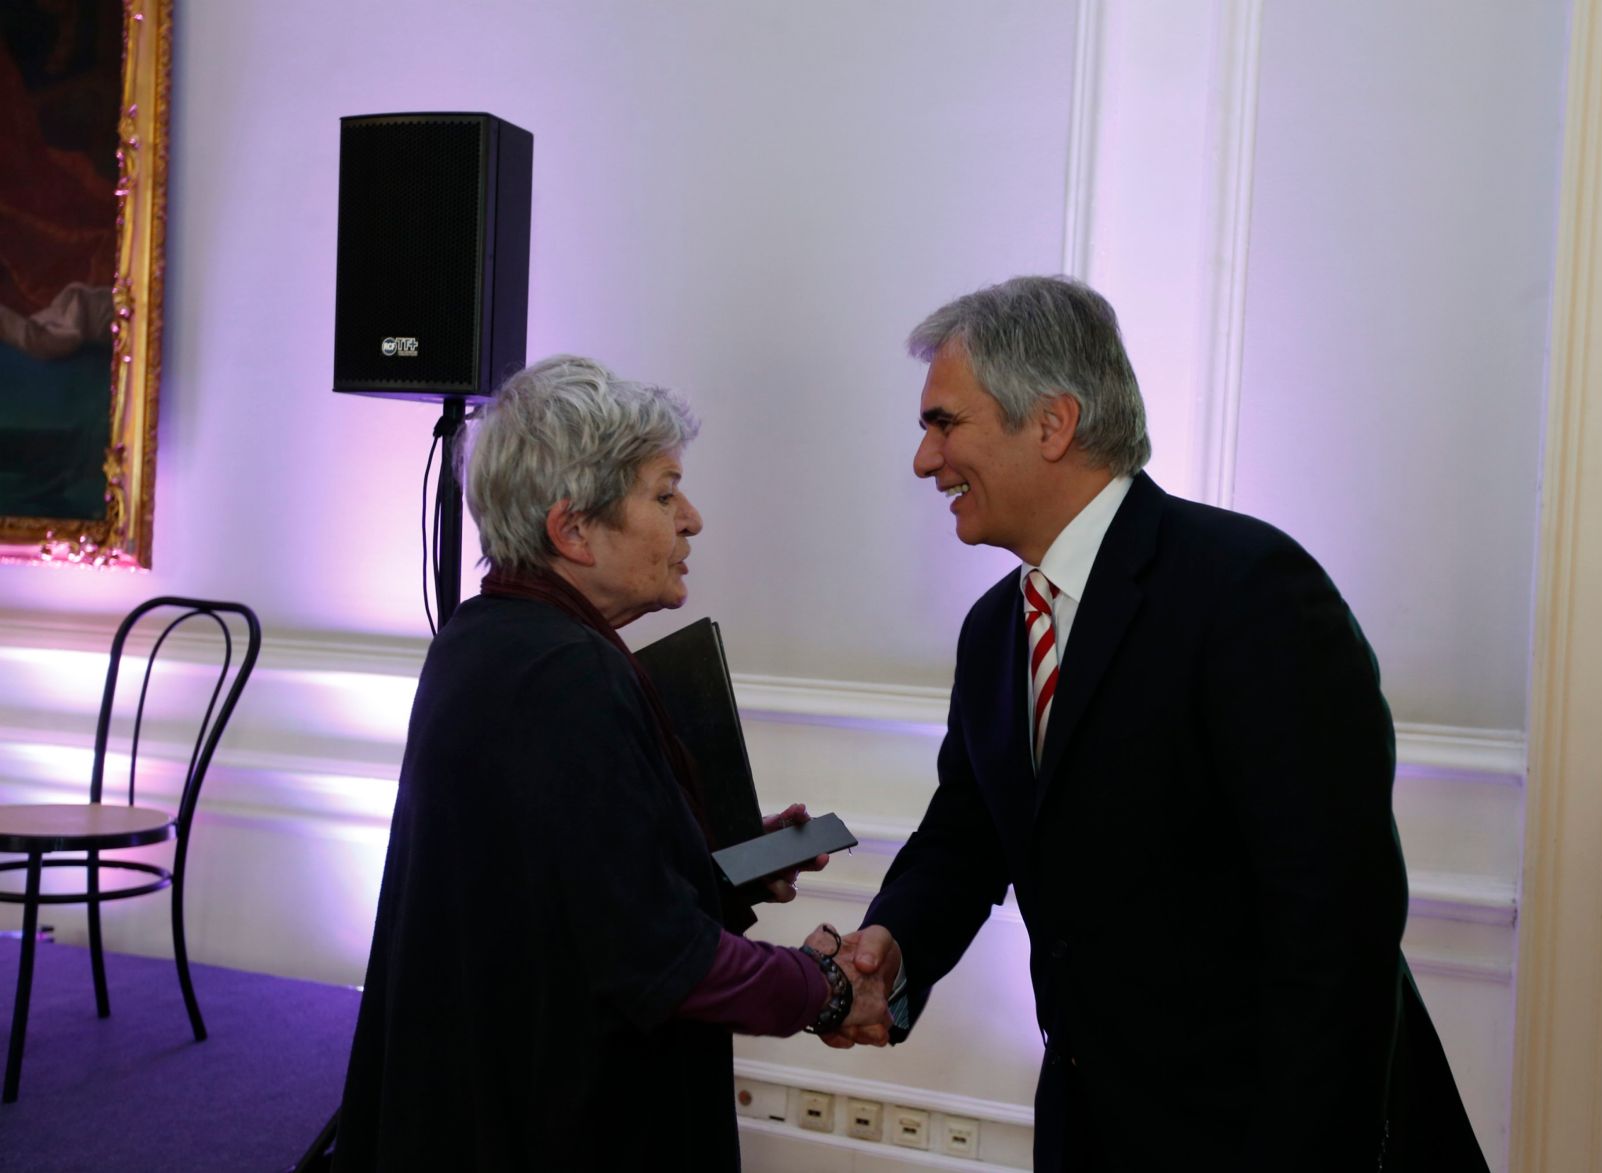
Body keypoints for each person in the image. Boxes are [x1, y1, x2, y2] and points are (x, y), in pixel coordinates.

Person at [824, 277, 1486, 1171]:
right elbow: (965, 833)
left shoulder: (1252, 593)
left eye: (945, 423)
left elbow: (1335, 925)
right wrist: (892, 950)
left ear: (1052, 424)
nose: (924, 459)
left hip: (1260, 1132)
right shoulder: (995, 630)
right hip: (1091, 1128)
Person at [333, 355, 887, 1171]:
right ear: (573, 529)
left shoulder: (483, 639)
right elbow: (656, 960)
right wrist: (825, 986)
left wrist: (724, 870)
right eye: (663, 494)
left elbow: (560, 897)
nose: (691, 518)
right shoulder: (569, 672)